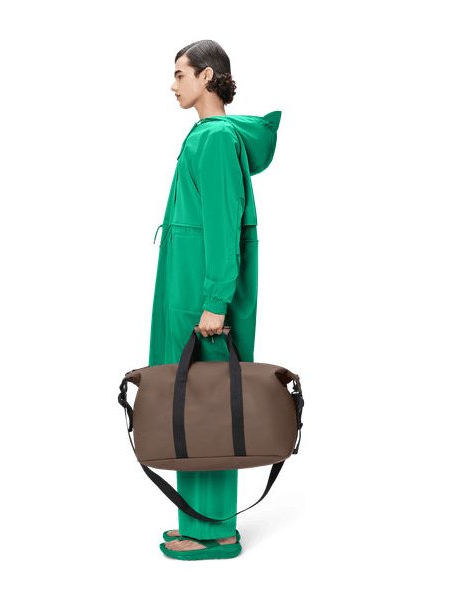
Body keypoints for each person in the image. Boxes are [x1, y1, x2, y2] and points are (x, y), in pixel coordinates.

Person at [148, 39, 281, 560]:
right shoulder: (206, 136)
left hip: (203, 293)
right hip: (188, 286)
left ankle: (216, 532)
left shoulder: (218, 139)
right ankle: (199, 521)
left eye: (180, 74)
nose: (173, 84)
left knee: (210, 404)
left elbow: (224, 227)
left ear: (208, 76)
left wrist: (216, 300)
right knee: (190, 401)